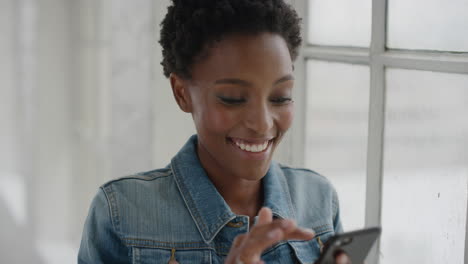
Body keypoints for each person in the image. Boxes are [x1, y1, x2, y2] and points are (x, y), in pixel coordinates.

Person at [78, 0, 345, 263]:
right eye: (233, 98)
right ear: (182, 93)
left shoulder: (318, 200)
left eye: (280, 97)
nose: (262, 123)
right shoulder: (121, 211)